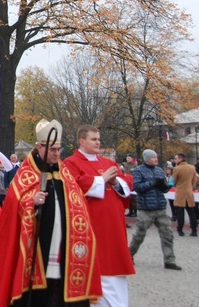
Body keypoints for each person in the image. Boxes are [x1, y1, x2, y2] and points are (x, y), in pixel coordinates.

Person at [0, 119, 102, 307]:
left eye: (59, 149)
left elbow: (77, 204)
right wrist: (30, 202)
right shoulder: (26, 173)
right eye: (52, 150)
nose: (56, 154)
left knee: (59, 288)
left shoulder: (65, 173)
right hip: (37, 245)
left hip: (63, 243)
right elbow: (13, 205)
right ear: (39, 147)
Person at [64, 125, 135, 307]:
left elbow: (126, 184)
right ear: (82, 141)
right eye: (93, 139)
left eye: (98, 139)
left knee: (115, 266)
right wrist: (101, 180)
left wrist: (114, 181)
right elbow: (72, 187)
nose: (98, 142)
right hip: (92, 225)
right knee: (98, 266)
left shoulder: (108, 163)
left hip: (115, 226)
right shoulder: (71, 163)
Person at [128, 149, 181, 270]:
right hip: (146, 208)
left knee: (167, 234)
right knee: (139, 235)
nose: (156, 159)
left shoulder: (159, 170)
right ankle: (129, 254)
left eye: (156, 157)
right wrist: (152, 183)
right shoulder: (138, 170)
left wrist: (165, 186)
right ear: (147, 159)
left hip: (160, 207)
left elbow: (164, 189)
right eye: (153, 158)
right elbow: (138, 188)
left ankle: (169, 260)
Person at [172, 153, 198, 237]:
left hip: (180, 192)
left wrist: (178, 185)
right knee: (191, 213)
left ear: (179, 159)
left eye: (176, 159)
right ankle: (194, 230)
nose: (175, 160)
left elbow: (174, 181)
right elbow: (194, 180)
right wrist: (190, 187)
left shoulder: (177, 168)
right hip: (189, 192)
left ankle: (180, 230)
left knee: (180, 213)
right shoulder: (192, 167)